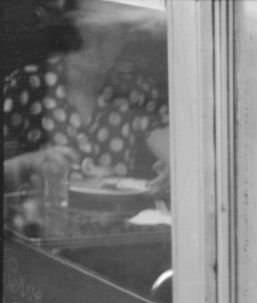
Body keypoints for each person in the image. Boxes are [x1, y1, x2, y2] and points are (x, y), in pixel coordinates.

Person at [3, 0, 169, 192]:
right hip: (39, 219)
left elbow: (175, 149)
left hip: (116, 219)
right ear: (69, 33)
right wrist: (28, 163)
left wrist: (174, 165)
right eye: (87, 32)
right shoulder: (27, 85)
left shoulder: (132, 89)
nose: (95, 44)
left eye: (108, 35)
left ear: (123, 40)